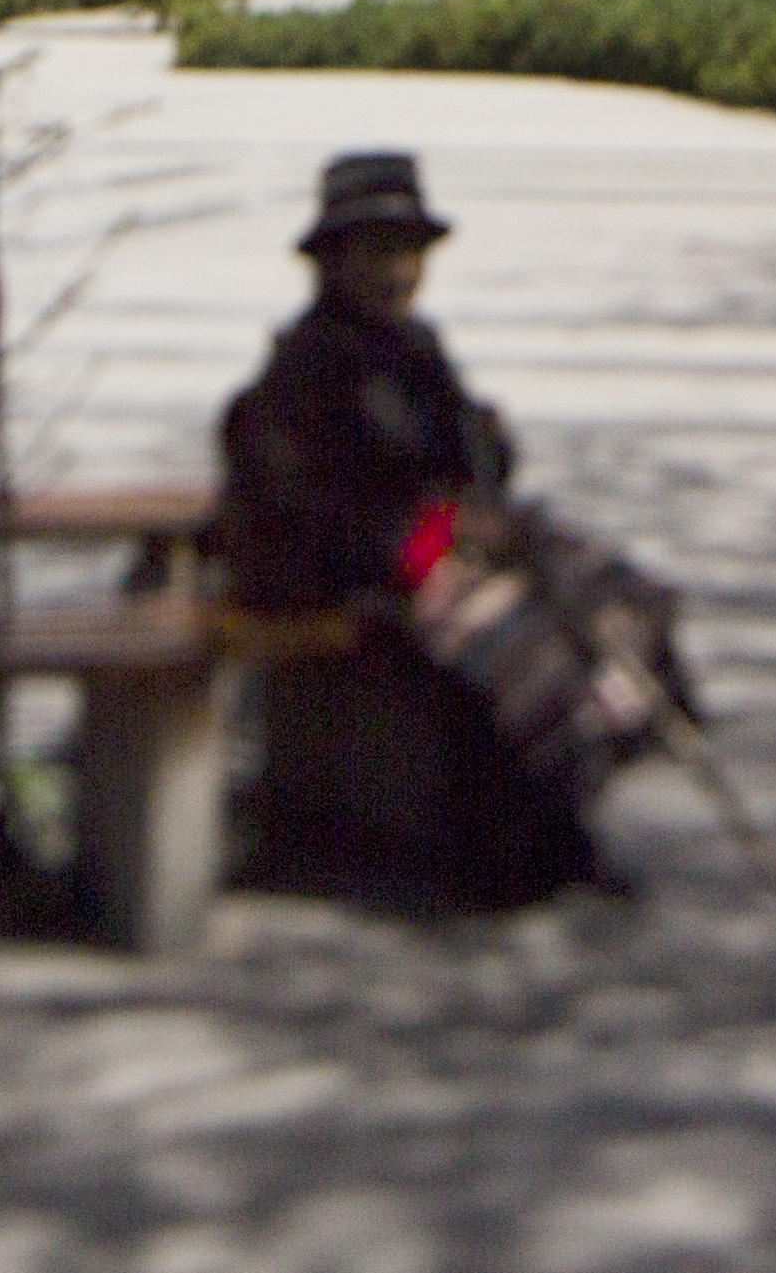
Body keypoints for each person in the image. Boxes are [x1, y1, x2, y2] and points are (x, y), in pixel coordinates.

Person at [212, 149, 610, 914]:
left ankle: (565, 820)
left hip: (422, 547)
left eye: (409, 252)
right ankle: (506, 848)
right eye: (376, 251)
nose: (396, 271)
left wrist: (483, 470)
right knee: (508, 637)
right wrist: (444, 535)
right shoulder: (315, 361)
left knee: (597, 593)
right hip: (347, 570)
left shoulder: (416, 346)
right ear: (334, 260)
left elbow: (468, 459)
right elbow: (324, 509)